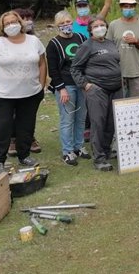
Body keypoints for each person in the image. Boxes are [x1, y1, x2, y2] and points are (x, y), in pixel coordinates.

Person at [0, 11, 46, 174]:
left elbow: (41, 63)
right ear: (2, 27)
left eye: (14, 21)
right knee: (3, 128)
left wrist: (41, 85)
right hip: (4, 95)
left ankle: (24, 155)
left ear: (20, 23)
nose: (11, 25)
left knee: (26, 127)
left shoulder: (34, 41)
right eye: (7, 23)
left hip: (30, 93)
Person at [71, 17, 123, 171]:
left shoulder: (110, 43)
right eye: (96, 26)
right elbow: (75, 68)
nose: (100, 28)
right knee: (98, 122)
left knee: (111, 122)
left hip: (116, 88)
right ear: (90, 29)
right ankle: (99, 158)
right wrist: (85, 85)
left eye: (102, 25)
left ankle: (106, 151)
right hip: (97, 89)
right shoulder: (87, 45)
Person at [46, 10, 89, 166]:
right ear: (57, 26)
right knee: (67, 119)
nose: (66, 25)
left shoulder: (82, 38)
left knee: (81, 118)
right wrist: (61, 88)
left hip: (81, 83)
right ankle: (67, 151)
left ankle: (79, 146)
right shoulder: (53, 44)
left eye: (68, 22)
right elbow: (53, 69)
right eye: (62, 23)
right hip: (66, 85)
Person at [106, 0, 139, 97]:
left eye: (131, 6)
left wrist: (136, 41)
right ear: (121, 7)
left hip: (137, 72)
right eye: (126, 6)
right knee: (118, 103)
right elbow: (108, 47)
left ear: (135, 7)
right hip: (118, 72)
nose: (128, 9)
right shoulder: (113, 25)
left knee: (137, 103)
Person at [10, 7, 41, 155]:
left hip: (31, 83)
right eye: (25, 18)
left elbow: (41, 61)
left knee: (29, 114)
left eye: (30, 18)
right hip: (12, 85)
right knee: (13, 114)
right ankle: (13, 140)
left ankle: (29, 139)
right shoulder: (7, 40)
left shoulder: (34, 40)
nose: (29, 22)